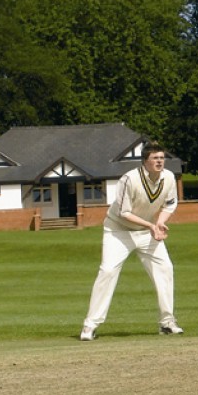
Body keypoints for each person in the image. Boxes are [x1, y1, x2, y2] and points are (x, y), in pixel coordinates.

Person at [80, 143, 182, 340]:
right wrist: (150, 225)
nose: (159, 161)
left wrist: (160, 223)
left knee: (165, 268)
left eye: (162, 158)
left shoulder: (169, 177)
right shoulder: (129, 179)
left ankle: (167, 322)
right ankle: (90, 325)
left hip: (147, 232)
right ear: (145, 161)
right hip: (118, 231)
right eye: (155, 158)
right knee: (107, 271)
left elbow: (170, 204)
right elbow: (124, 213)